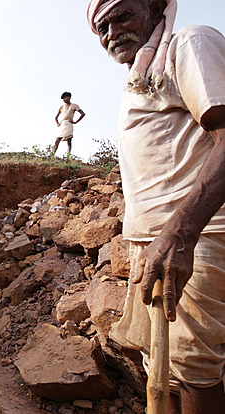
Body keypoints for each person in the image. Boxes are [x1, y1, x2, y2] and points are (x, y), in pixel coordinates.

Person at [87, 0, 225, 412]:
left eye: (122, 17)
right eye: (102, 27)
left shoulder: (190, 43)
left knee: (194, 366)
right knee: (163, 365)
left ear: (155, 7)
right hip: (155, 244)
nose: (112, 33)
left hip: (196, 238)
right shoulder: (142, 76)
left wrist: (180, 233)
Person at [53, 92, 85, 157]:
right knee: (57, 139)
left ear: (69, 97)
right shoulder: (62, 107)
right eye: (63, 98)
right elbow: (56, 117)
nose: (64, 99)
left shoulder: (74, 106)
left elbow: (83, 114)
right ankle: (52, 155)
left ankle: (68, 157)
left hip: (69, 124)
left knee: (69, 141)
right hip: (63, 124)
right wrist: (58, 123)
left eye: (65, 97)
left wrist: (75, 122)